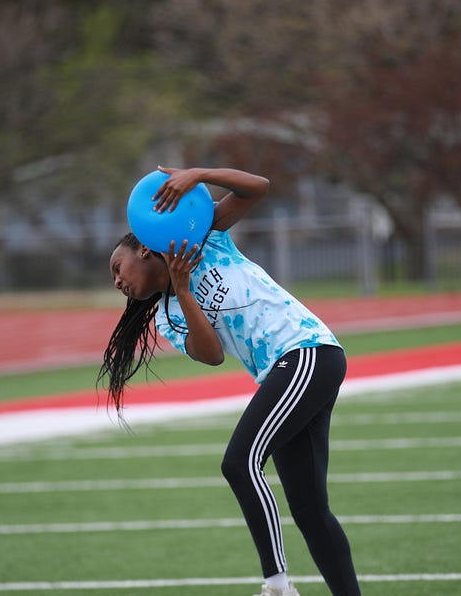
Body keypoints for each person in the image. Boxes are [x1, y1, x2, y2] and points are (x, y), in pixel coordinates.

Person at [101, 166, 361, 596]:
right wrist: (184, 290)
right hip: (289, 368)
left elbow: (259, 187)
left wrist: (197, 174)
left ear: (143, 249)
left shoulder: (206, 239)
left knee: (239, 462)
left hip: (307, 351)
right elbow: (212, 355)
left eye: (117, 267)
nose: (116, 281)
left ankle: (277, 585)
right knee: (310, 510)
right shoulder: (168, 315)